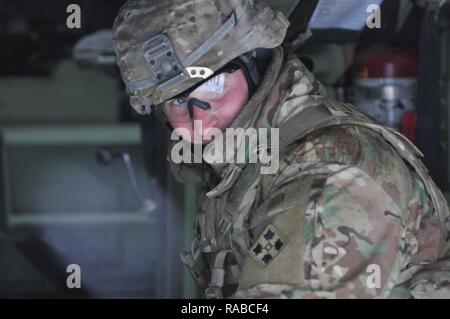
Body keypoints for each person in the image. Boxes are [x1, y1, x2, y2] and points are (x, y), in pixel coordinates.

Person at [113, 0, 450, 298]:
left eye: (213, 85)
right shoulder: (248, 154)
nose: (197, 119)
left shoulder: (330, 175)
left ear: (255, 64)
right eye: (174, 101)